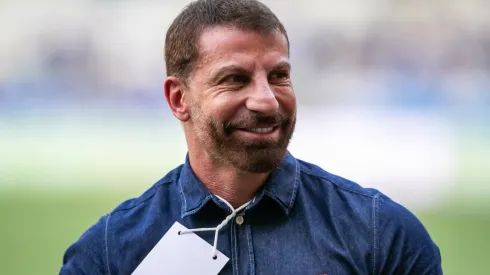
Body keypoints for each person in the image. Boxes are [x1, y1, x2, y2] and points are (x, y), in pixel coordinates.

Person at [60, 0, 442, 274]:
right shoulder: (111, 251)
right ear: (179, 99)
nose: (267, 101)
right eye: (235, 79)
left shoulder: (383, 236)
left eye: (279, 76)